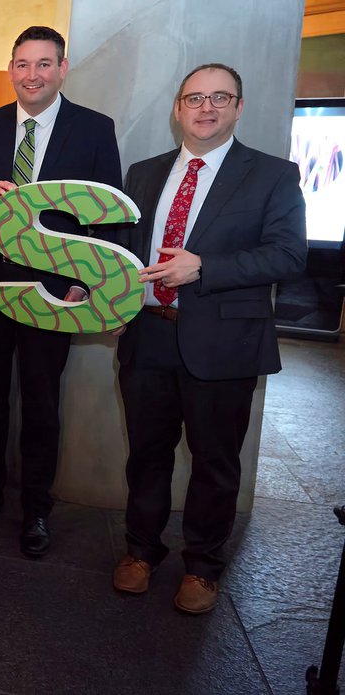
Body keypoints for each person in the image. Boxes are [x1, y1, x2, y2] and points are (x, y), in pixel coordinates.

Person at [112, 63, 306, 614]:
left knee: (215, 461)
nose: (206, 107)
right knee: (146, 453)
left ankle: (202, 567)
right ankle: (140, 552)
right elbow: (124, 246)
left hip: (224, 343)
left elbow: (290, 254)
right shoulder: (144, 173)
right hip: (147, 335)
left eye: (221, 98)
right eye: (195, 98)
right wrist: (100, 290)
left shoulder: (272, 174)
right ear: (178, 109)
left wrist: (206, 267)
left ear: (239, 108)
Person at [0, 25, 122, 558]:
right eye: (22, 64)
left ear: (63, 68)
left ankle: (37, 510)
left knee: (41, 403)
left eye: (44, 64)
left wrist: (83, 284)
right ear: (11, 70)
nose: (32, 74)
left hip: (54, 291)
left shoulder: (93, 129)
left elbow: (107, 218)